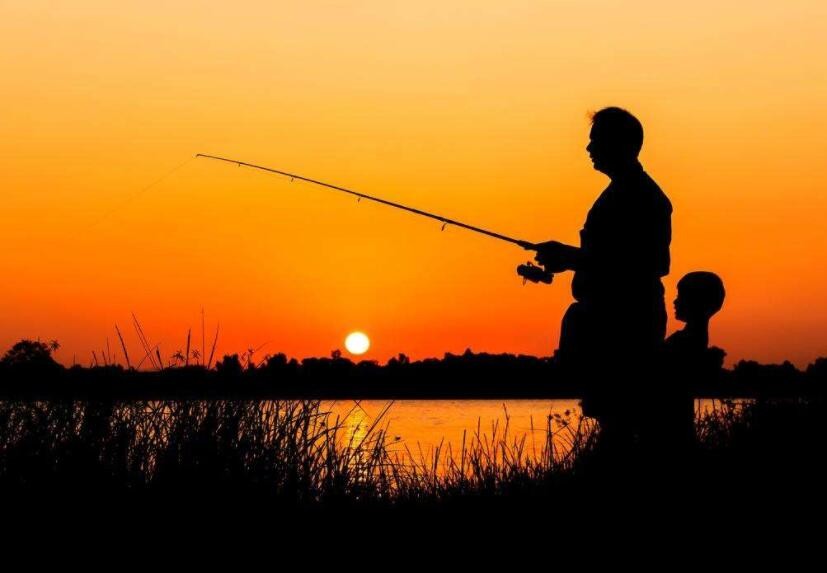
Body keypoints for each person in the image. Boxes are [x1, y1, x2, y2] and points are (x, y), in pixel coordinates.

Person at [529, 107, 673, 449]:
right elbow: (608, 259)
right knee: (614, 421)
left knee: (622, 423)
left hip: (626, 325)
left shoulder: (644, 197)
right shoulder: (618, 194)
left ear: (621, 144)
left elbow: (651, 263)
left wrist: (571, 257)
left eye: (595, 140)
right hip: (607, 323)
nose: (588, 148)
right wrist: (570, 259)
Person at [657, 271, 727, 452]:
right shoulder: (696, 336)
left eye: (681, 296)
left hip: (672, 420)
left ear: (696, 302)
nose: (675, 302)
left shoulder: (687, 340)